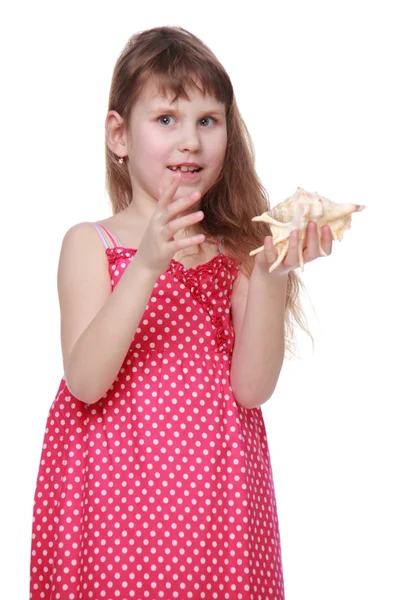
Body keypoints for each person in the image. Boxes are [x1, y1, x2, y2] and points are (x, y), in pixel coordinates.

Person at [29, 25, 333, 600]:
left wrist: (271, 275)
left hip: (219, 500)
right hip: (110, 499)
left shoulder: (240, 251)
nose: (190, 140)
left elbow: (251, 389)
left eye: (207, 120)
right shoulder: (90, 243)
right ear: (119, 135)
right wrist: (145, 264)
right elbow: (86, 381)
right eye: (166, 119)